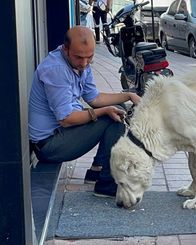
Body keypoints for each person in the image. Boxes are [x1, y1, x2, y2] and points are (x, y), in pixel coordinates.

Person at [28, 26, 140, 197]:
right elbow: (66, 119)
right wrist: (103, 112)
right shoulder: (56, 70)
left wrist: (129, 96)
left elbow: (94, 99)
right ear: (65, 49)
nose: (84, 63)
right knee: (114, 119)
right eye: (79, 57)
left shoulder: (80, 64)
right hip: (49, 145)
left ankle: (97, 170)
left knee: (117, 109)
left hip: (61, 133)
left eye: (90, 57)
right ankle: (107, 183)